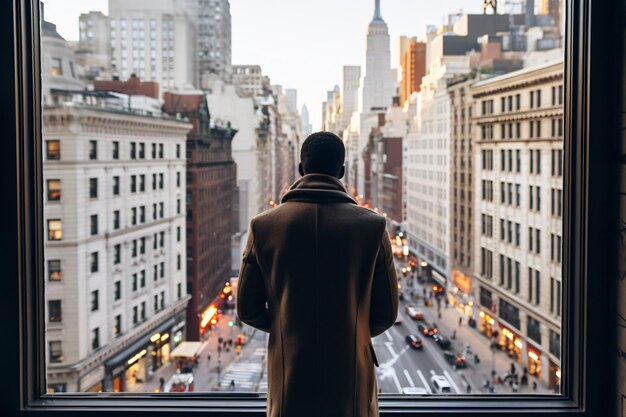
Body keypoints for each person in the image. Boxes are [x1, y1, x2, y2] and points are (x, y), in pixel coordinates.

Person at [237, 132, 398, 417]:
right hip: (351, 386)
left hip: (290, 382)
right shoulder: (373, 227)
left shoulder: (263, 226)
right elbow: (385, 314)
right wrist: (347, 334)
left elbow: (248, 310)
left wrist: (291, 332)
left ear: (300, 169)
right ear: (342, 172)